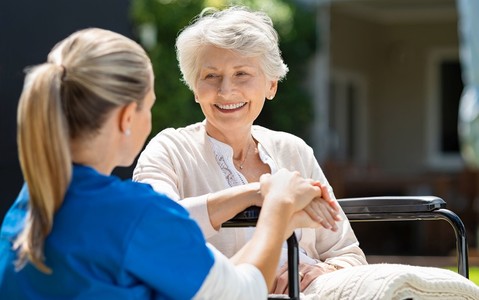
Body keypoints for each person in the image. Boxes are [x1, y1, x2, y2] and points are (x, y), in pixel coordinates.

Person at [0, 27, 341, 299]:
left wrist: (253, 196)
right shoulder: (135, 214)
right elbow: (244, 292)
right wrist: (277, 206)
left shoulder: (30, 203)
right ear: (125, 118)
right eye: (149, 106)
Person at [133, 6, 367, 296]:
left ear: (271, 85)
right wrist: (259, 193)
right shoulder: (168, 150)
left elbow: (348, 254)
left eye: (242, 74)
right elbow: (155, 229)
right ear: (195, 88)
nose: (226, 90)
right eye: (210, 76)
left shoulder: (293, 151)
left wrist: (320, 272)